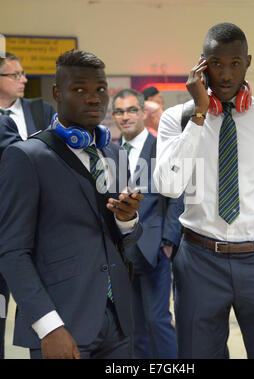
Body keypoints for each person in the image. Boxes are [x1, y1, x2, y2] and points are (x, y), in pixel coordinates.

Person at [154, 23, 254, 359]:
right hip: (199, 261)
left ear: (247, 62)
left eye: (235, 63)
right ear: (201, 65)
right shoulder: (177, 119)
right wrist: (200, 113)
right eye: (216, 63)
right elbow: (167, 186)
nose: (225, 73)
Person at [0, 50, 144, 359]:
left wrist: (127, 220)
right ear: (57, 93)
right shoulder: (27, 157)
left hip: (117, 322)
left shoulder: (115, 155)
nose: (94, 99)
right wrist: (48, 326)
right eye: (79, 90)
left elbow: (125, 241)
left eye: (100, 90)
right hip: (61, 323)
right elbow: (11, 251)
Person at [112, 88, 181, 358]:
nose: (125, 117)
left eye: (131, 110)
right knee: (133, 326)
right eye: (119, 111)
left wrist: (168, 242)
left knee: (158, 321)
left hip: (154, 250)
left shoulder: (160, 148)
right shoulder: (111, 151)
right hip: (122, 252)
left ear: (142, 113)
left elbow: (177, 196)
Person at [0, 52, 55, 359]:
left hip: (36, 223)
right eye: (15, 75)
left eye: (23, 74)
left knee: (38, 300)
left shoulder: (41, 110)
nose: (23, 80)